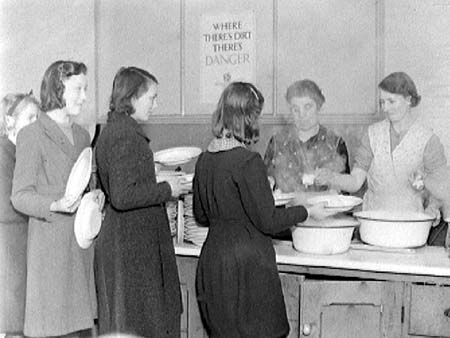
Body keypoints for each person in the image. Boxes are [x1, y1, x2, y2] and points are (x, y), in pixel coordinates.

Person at [193, 81, 336, 337]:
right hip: (247, 269)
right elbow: (268, 221)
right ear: (248, 118)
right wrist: (306, 210)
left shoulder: (205, 159)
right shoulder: (249, 161)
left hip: (213, 264)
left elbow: (201, 215)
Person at [94, 66, 190, 337]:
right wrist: (166, 188)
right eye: (152, 97)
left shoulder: (113, 131)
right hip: (134, 247)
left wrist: (152, 177)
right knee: (145, 323)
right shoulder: (126, 136)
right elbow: (123, 196)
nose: (156, 104)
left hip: (129, 243)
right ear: (133, 98)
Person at [11, 60, 101, 338]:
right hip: (50, 256)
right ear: (58, 89)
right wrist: (54, 204)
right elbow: (20, 196)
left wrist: (95, 197)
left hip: (81, 248)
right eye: (78, 89)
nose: (84, 97)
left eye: (86, 89)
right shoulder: (31, 135)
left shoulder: (83, 135)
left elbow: (84, 183)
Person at [315, 72, 447, 219]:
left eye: (391, 101)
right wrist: (332, 177)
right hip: (372, 220)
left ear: (408, 100)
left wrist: (433, 207)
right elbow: (356, 181)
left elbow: (441, 187)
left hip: (411, 223)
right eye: (382, 102)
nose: (385, 108)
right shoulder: (373, 134)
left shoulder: (427, 139)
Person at [264, 79, 350, 194]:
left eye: (308, 107)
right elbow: (266, 182)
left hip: (325, 210)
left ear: (319, 107)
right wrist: (269, 183)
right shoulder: (277, 143)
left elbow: (345, 191)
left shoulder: (335, 143)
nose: (302, 115)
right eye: (296, 109)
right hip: (288, 211)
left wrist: (334, 185)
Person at [0, 92, 39, 338]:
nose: (36, 124)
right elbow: (7, 206)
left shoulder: (23, 152)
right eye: (30, 117)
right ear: (9, 121)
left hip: (22, 245)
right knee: (12, 322)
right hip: (9, 248)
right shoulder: (4, 154)